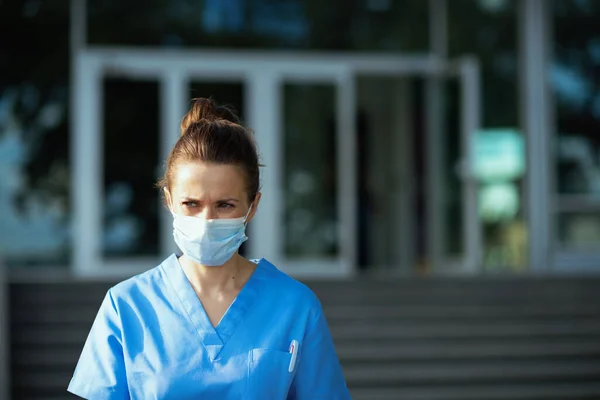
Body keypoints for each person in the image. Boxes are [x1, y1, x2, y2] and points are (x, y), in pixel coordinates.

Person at [67, 98, 351, 399]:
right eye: (191, 204)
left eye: (225, 205)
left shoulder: (295, 307)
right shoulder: (127, 307)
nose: (207, 220)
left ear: (253, 206)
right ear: (169, 201)